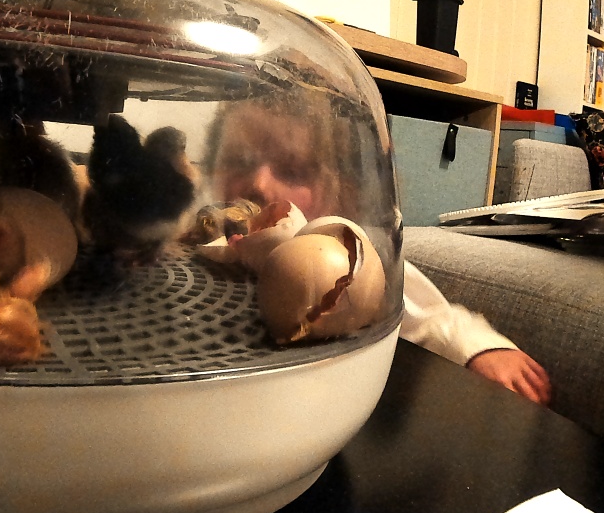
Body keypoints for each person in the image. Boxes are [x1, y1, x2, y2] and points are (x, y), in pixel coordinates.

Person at [205, 93, 551, 405]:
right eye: (239, 160)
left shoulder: (342, 258)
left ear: (336, 193)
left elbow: (424, 313)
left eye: (292, 171)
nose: (258, 184)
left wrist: (475, 348)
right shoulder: (205, 243)